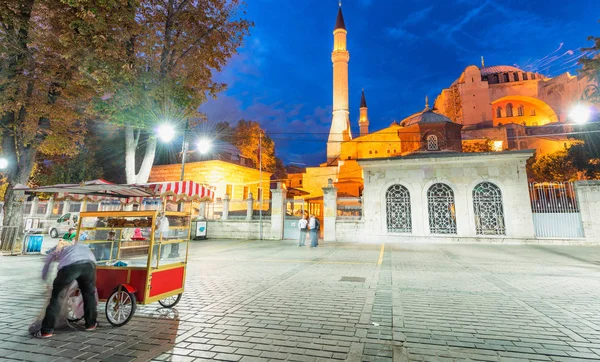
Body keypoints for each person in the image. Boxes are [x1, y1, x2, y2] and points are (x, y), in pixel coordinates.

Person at [35, 242, 98, 338]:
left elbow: (48, 262)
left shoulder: (58, 249)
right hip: (89, 265)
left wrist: (44, 278)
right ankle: (91, 324)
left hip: (70, 267)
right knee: (89, 294)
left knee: (57, 297)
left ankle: (46, 331)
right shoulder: (81, 246)